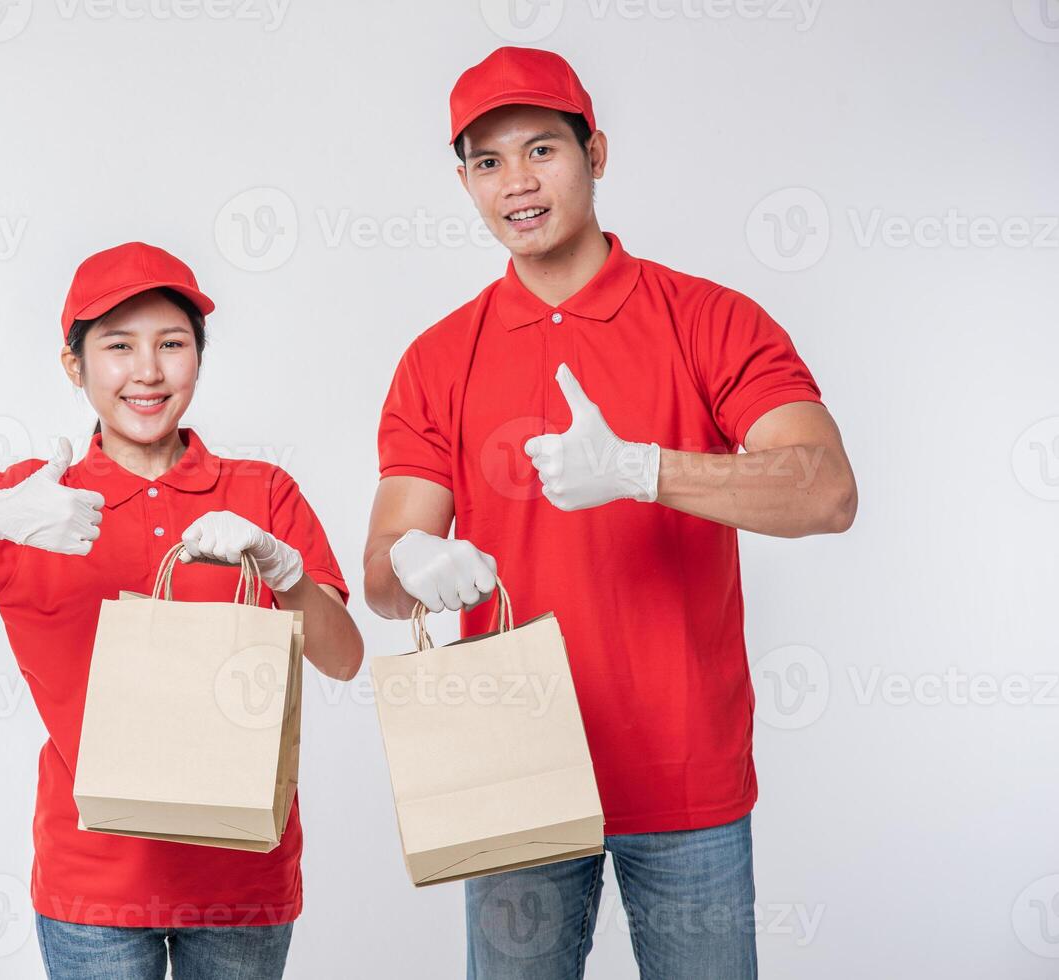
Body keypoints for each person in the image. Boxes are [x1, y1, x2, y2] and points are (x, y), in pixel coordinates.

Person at [363, 47, 858, 978]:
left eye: (541, 149)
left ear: (597, 151)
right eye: (487, 161)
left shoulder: (708, 319)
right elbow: (384, 575)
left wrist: (641, 469)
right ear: (464, 180)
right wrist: (416, 563)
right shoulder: (437, 358)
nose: (516, 183)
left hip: (685, 775)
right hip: (510, 770)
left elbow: (826, 490)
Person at [0, 241, 363, 980]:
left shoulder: (262, 490)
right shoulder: (35, 500)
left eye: (171, 344)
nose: (147, 371)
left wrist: (284, 568)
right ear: (74, 365)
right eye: (118, 347)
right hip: (92, 888)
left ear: (199, 359)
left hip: (243, 879)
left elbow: (343, 658)